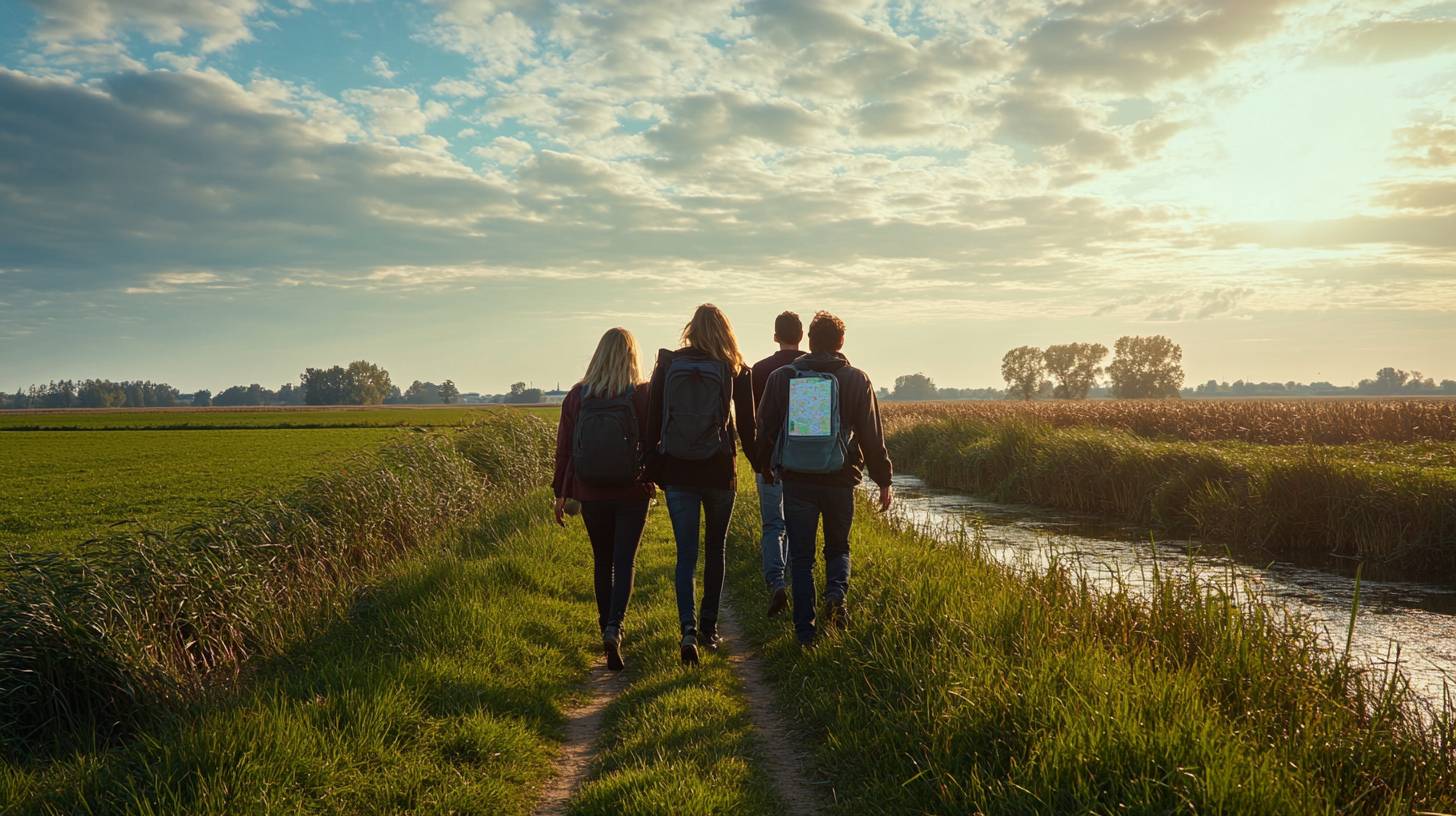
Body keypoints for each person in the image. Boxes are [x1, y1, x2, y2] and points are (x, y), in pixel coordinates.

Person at [756, 311, 893, 648]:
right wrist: (884, 479)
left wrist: (765, 466)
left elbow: (766, 427)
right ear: (841, 342)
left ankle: (805, 633)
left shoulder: (782, 377)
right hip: (840, 479)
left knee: (801, 556)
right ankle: (836, 595)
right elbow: (871, 436)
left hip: (798, 479)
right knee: (838, 547)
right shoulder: (856, 379)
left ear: (809, 340)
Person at [647, 303, 758, 665]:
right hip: (718, 471)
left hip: (678, 470)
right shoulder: (734, 368)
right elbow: (748, 427)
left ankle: (687, 631)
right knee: (716, 549)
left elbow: (652, 420)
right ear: (725, 332)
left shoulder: (669, 365)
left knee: (685, 554)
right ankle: (710, 629)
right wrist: (760, 466)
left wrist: (653, 468)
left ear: (690, 329)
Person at [552, 327, 653, 672]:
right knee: (624, 563)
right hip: (632, 490)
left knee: (602, 561)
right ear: (632, 357)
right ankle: (615, 628)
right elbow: (653, 445)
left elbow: (565, 449)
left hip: (590, 490)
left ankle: (603, 627)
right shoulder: (640, 394)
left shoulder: (578, 396)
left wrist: (561, 493)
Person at [750, 311, 806, 617]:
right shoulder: (812, 367)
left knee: (773, 523)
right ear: (802, 337)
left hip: (770, 456)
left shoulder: (759, 370)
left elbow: (757, 419)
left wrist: (758, 458)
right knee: (799, 524)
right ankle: (799, 584)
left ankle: (775, 582)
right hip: (805, 458)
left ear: (775, 337)